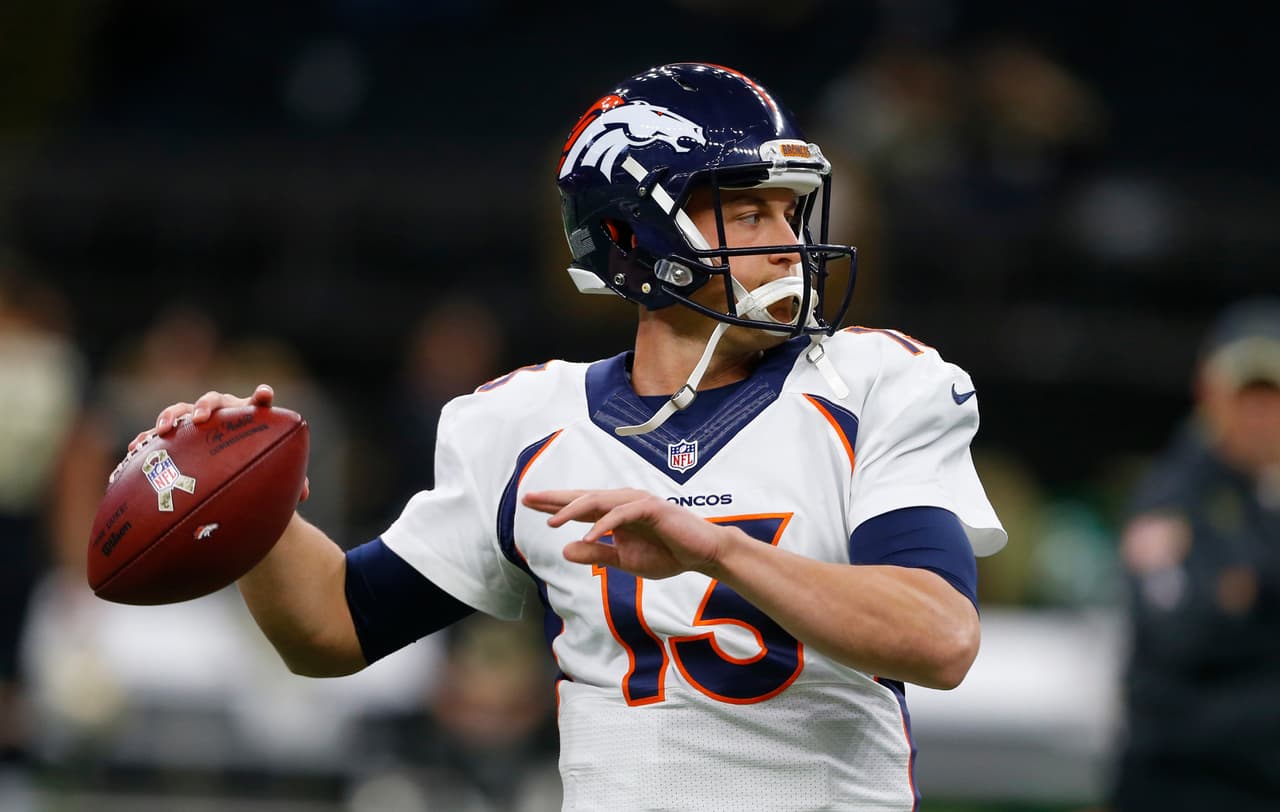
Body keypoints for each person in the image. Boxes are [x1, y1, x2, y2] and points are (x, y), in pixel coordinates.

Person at [129, 63, 1006, 811]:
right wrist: (248, 502)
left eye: (790, 212)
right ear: (633, 235)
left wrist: (715, 549)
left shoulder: (872, 384)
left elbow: (938, 637)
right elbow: (330, 629)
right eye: (748, 215)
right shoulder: (526, 422)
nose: (788, 244)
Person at [1111, 299, 1280, 811]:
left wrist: (1249, 588)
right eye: (1246, 397)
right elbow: (1181, 633)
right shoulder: (1171, 497)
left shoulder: (1263, 496)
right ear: (1210, 394)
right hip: (1187, 784)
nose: (1260, 416)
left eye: (1272, 397)